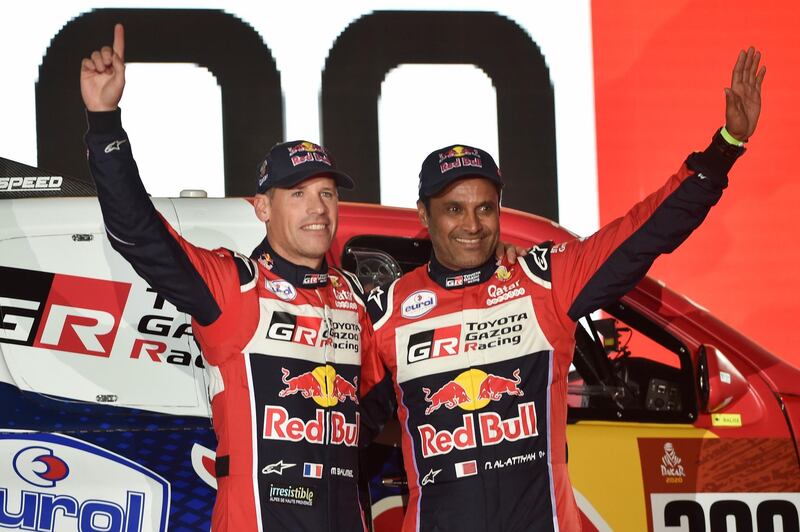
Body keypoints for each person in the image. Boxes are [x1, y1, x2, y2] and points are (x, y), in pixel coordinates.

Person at [360, 48, 765, 531]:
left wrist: (725, 147)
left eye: (485, 208)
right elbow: (336, 429)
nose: (472, 224)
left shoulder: (545, 282)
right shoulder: (388, 312)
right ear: (425, 216)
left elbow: (643, 233)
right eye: (454, 209)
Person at [82, 24, 374, 531]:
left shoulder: (350, 295)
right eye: (298, 194)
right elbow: (137, 232)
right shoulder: (234, 285)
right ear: (262, 207)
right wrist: (104, 123)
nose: (317, 209)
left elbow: (378, 392)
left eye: (326, 193)